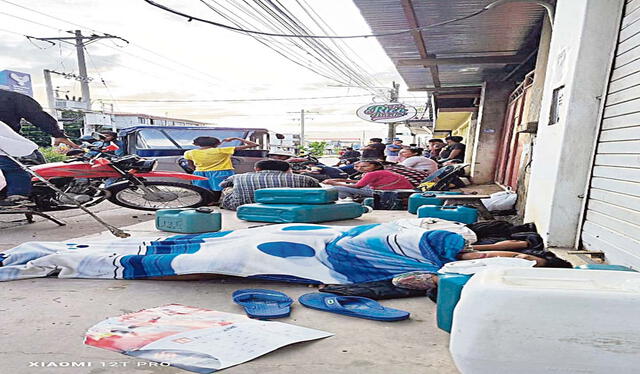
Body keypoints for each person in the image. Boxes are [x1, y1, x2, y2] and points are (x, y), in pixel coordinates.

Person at [0, 89, 78, 207]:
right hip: (10, 144)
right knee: (11, 165)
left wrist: (57, 134)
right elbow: (36, 114)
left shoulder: (9, 98)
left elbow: (36, 115)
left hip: (9, 144)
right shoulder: (12, 97)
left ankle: (19, 195)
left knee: (12, 166)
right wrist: (57, 134)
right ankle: (18, 194)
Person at [183, 136, 259, 204]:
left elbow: (190, 165)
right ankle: (217, 202)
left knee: (203, 190)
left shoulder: (189, 153)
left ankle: (206, 202)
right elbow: (254, 145)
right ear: (217, 144)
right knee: (221, 189)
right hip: (221, 172)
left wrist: (196, 171)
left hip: (200, 173)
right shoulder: (222, 150)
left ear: (195, 144)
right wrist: (236, 138)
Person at [219, 160, 320, 210]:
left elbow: (222, 185)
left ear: (257, 169)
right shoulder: (304, 178)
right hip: (292, 207)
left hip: (241, 206)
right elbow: (318, 189)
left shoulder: (239, 176)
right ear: (286, 170)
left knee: (228, 188)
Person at [323, 160, 414, 200]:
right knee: (342, 185)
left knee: (337, 188)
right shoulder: (380, 172)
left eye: (365, 166)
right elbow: (363, 182)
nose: (360, 168)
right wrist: (340, 180)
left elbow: (358, 185)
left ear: (377, 166)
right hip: (396, 191)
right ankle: (352, 198)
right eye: (357, 166)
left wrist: (334, 182)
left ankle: (348, 201)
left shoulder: (373, 173)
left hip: (389, 193)